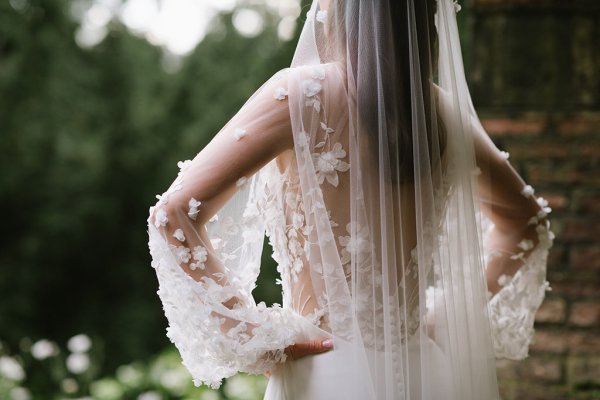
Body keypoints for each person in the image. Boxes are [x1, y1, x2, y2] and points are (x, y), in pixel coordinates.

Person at [146, 0, 554, 398]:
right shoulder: (441, 111)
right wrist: (444, 318)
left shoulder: (300, 93)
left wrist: (253, 334)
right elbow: (528, 222)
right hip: (425, 374)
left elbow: (173, 214)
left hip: (325, 374)